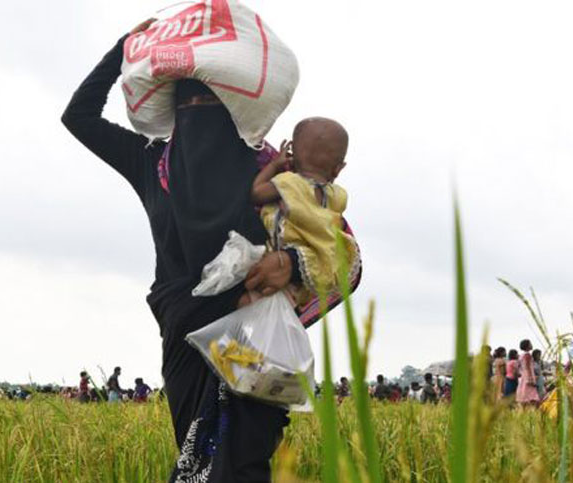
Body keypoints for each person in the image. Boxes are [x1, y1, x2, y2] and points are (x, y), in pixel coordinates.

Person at [61, 19, 362, 483]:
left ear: (233, 112)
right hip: (183, 339)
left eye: (211, 104)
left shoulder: (267, 169)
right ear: (175, 112)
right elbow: (78, 117)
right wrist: (124, 48)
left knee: (241, 467)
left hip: (251, 339)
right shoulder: (151, 162)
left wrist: (290, 264)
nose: (199, 113)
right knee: (196, 463)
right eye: (188, 104)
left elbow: (344, 256)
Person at [247, 119, 357, 307]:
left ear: (292, 157)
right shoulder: (336, 195)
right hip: (312, 270)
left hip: (274, 261)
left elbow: (257, 193)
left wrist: (274, 166)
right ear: (338, 169)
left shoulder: (288, 183)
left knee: (248, 303)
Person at [516, 339, 540, 406]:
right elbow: (528, 368)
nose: (531, 344)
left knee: (525, 397)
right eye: (530, 343)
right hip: (528, 377)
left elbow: (519, 367)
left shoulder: (521, 356)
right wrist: (531, 380)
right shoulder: (527, 355)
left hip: (523, 377)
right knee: (532, 398)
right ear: (527, 346)